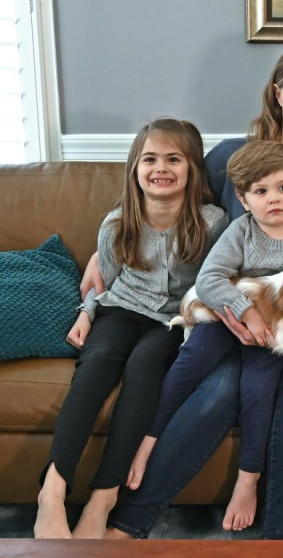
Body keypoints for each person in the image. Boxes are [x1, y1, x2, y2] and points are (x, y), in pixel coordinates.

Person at [98, 42, 283, 539]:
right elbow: (169, 212)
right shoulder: (230, 161)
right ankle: (130, 523)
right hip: (234, 315)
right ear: (277, 94)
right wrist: (105, 251)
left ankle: (277, 537)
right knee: (220, 388)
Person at [129, 140, 283, 532]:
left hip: (277, 335)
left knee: (256, 391)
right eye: (260, 192)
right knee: (190, 361)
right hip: (229, 321)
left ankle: (248, 479)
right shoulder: (239, 231)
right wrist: (244, 314)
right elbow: (209, 278)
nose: (273, 199)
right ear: (243, 200)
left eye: (282, 188)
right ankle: (149, 438)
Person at [33, 119, 228, 539]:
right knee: (98, 362)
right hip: (121, 309)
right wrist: (86, 314)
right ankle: (52, 488)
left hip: (176, 320)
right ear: (135, 169)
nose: (162, 168)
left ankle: (103, 497)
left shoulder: (214, 223)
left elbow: (219, 278)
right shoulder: (118, 222)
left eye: (174, 159)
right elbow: (103, 281)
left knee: (144, 369)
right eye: (150, 159)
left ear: (193, 168)